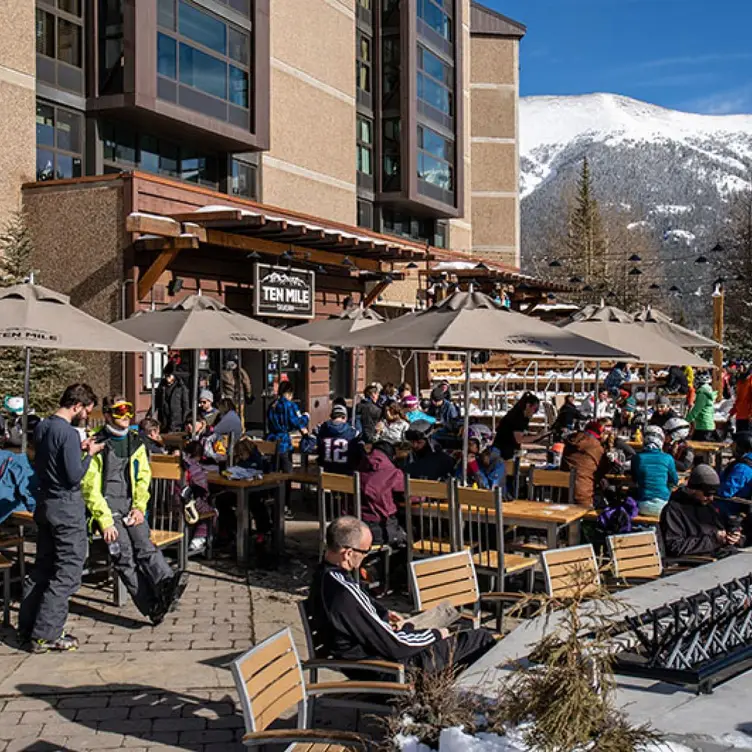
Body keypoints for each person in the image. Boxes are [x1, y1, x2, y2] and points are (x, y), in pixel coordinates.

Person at [307, 517, 496, 672]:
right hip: (389, 667)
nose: (366, 557)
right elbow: (394, 645)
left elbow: (362, 618)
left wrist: (382, 614)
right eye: (365, 552)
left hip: (373, 656)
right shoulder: (343, 592)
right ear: (348, 553)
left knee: (455, 628)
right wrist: (436, 634)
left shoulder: (325, 578)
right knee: (479, 638)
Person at [80, 395, 184, 624]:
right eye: (119, 411)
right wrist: (104, 520)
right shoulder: (96, 443)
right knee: (124, 557)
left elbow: (142, 478)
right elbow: (89, 486)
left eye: (128, 410)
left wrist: (139, 507)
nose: (126, 416)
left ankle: (167, 585)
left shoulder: (136, 443)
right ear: (107, 414)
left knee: (144, 546)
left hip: (130, 506)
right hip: (106, 509)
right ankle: (151, 606)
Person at [18, 384, 105, 653]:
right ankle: (46, 634)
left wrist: (75, 448)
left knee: (43, 566)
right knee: (68, 572)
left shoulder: (43, 426)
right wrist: (89, 454)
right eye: (86, 411)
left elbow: (48, 459)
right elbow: (74, 476)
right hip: (66, 507)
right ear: (77, 405)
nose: (85, 416)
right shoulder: (66, 432)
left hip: (44, 504)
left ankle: (28, 626)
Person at [660, 464, 742, 558]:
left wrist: (733, 534)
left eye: (713, 494)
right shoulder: (674, 510)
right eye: (707, 494)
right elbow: (675, 546)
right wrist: (714, 539)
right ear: (692, 489)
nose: (711, 498)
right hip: (699, 562)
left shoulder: (708, 505)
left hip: (721, 554)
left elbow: (725, 524)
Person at [358, 442, 406, 546]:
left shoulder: (359, 469)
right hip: (380, 527)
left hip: (356, 525)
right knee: (406, 538)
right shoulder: (394, 473)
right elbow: (410, 495)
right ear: (392, 456)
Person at [630, 425, 679, 517]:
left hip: (642, 504)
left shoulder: (637, 458)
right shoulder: (668, 458)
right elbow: (674, 480)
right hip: (663, 505)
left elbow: (635, 478)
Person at [560, 420, 611, 508]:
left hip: (562, 494)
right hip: (583, 497)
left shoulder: (570, 442)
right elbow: (602, 471)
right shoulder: (596, 447)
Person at [267, 381, 309, 473]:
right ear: (289, 393)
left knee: (274, 471)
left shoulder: (272, 405)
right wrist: (306, 417)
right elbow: (297, 422)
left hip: (271, 442)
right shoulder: (290, 406)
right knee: (288, 472)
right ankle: (286, 487)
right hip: (284, 443)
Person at [492, 392, 541, 461]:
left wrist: (536, 435)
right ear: (528, 405)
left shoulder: (523, 416)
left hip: (506, 451)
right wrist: (538, 436)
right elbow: (519, 439)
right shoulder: (518, 417)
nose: (535, 412)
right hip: (501, 453)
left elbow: (522, 433)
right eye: (535, 409)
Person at [716, 432, 752, 522]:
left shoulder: (743, 469)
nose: (731, 446)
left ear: (741, 447)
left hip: (729, 507)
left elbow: (726, 492)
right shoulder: (743, 462)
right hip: (729, 503)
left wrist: (709, 490)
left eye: (734, 444)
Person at [316, 404, 362, 475]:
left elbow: (318, 450)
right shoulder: (352, 433)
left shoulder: (323, 430)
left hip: (326, 476)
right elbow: (358, 454)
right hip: (347, 476)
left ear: (331, 416)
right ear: (344, 417)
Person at [155, 362, 190, 433]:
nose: (167, 378)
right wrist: (149, 414)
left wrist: (185, 422)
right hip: (164, 421)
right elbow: (156, 401)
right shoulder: (162, 386)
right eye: (165, 375)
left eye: (169, 376)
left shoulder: (181, 388)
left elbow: (186, 406)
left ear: (174, 376)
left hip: (177, 422)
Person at [685, 372, 718, 442]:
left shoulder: (702, 394)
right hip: (708, 424)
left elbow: (696, 410)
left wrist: (686, 420)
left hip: (703, 425)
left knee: (695, 447)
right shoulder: (708, 391)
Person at [731, 365, 752, 433]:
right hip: (740, 416)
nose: (739, 369)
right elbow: (739, 399)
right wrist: (732, 411)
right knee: (740, 439)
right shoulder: (740, 381)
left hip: (748, 417)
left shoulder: (750, 380)